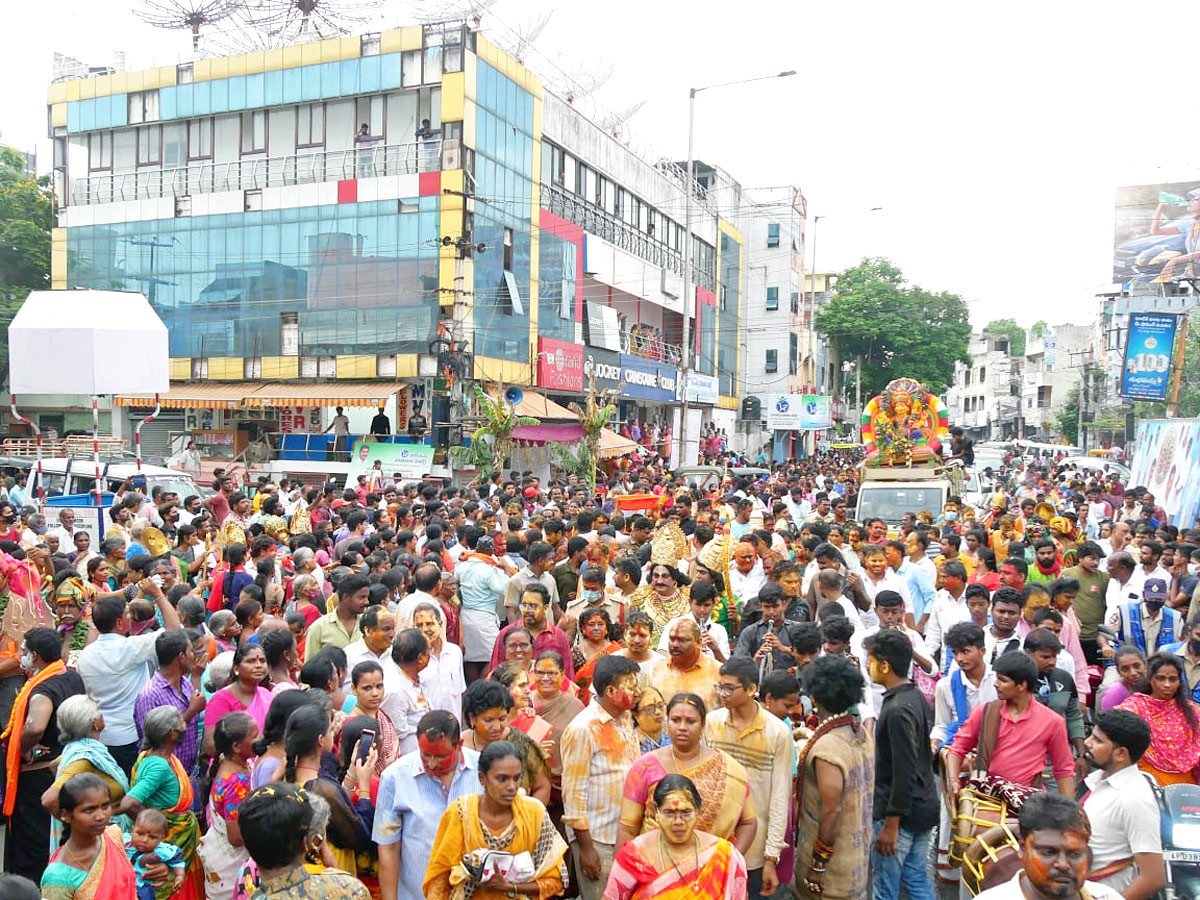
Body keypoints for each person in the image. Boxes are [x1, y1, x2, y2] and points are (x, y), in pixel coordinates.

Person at [424, 740, 569, 900]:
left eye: (517, 778)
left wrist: (509, 887)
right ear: (482, 778)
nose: (512, 786)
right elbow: (439, 882)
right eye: (502, 779)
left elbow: (556, 880)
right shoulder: (460, 813)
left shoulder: (534, 813)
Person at [617, 693, 755, 852]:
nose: (682, 727)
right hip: (654, 868)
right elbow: (628, 828)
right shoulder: (645, 767)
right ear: (667, 723)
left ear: (703, 725)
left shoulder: (729, 768)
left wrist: (731, 861)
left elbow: (748, 822)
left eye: (690, 721)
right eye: (675, 720)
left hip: (710, 870)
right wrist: (624, 871)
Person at [3, 625, 87, 882]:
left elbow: (36, 726)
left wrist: (23, 747)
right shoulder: (70, 675)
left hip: (39, 778)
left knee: (34, 845)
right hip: (68, 768)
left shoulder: (43, 689)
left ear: (37, 656)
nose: (21, 657)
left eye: (25, 651)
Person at [706, 657, 792, 900]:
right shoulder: (712, 724)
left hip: (756, 850)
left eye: (729, 688)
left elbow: (779, 797)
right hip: (716, 843)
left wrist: (771, 857)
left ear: (752, 689)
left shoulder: (777, 732)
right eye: (720, 687)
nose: (723, 693)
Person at [374, 710, 482, 900]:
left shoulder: (483, 771)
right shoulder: (394, 778)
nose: (431, 764)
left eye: (441, 757)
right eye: (426, 755)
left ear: (459, 745)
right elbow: (388, 848)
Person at [792, 654, 875, 900]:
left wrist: (817, 867)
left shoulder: (829, 749)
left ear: (814, 697)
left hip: (831, 879)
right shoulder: (859, 732)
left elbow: (832, 812)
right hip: (856, 867)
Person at [560, 655, 642, 900]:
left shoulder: (625, 717)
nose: (638, 691)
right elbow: (573, 794)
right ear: (610, 690)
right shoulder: (582, 728)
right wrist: (586, 849)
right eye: (631, 685)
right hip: (598, 840)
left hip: (626, 834)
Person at [863, 630, 937, 900]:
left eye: (870, 660)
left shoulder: (896, 712)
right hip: (923, 804)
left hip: (900, 815)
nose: (867, 666)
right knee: (916, 879)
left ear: (885, 665)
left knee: (885, 889)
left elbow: (903, 771)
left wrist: (891, 825)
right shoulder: (913, 697)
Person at [945, 650, 1076, 799]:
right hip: (984, 799)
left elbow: (1064, 770)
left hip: (1027, 803)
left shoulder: (1053, 721)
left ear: (1022, 685)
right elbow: (957, 749)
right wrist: (953, 781)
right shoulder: (985, 712)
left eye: (1003, 680)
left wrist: (1070, 812)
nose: (995, 684)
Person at [78, 587, 181, 775]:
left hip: (100, 736)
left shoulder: (86, 654)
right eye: (127, 614)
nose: (131, 618)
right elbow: (174, 631)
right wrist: (157, 595)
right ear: (119, 622)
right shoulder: (129, 648)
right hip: (130, 736)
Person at [603, 773, 749, 900]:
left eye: (686, 813)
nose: (678, 822)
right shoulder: (633, 856)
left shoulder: (724, 855)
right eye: (669, 813)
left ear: (698, 812)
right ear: (656, 813)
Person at [929, 622, 996, 881]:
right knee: (954, 809)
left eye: (966, 652)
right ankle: (951, 865)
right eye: (955, 652)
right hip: (958, 755)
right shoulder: (945, 685)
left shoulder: (998, 680)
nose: (960, 658)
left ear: (982, 650)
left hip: (991, 758)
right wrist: (935, 744)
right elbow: (941, 725)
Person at [117, 706, 205, 900]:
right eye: (181, 723)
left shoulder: (151, 756)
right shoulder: (158, 765)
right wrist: (153, 825)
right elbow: (129, 803)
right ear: (172, 734)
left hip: (176, 840)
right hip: (169, 841)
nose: (185, 725)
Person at [973, 791, 1123, 900]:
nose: (1063, 865)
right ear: (1023, 849)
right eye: (1048, 852)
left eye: (1075, 854)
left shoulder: (1108, 897)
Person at [1081, 709, 1166, 900]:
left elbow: (1153, 877)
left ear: (1121, 754)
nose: (1087, 743)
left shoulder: (1134, 798)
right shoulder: (1100, 781)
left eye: (1098, 740)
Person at [41, 773, 138, 900]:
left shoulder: (113, 836)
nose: (101, 816)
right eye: (89, 810)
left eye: (105, 806)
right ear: (66, 815)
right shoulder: (58, 876)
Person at [197, 712, 258, 900]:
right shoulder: (236, 782)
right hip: (231, 867)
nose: (261, 738)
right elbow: (236, 837)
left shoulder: (232, 763)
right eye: (255, 736)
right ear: (236, 746)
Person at [461, 679, 551, 804]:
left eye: (502, 719)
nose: (497, 727)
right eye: (488, 720)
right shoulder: (461, 748)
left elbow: (542, 787)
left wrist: (528, 817)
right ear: (472, 718)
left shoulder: (520, 743)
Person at [1117, 651, 1200, 784]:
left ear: (1179, 681)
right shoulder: (1136, 706)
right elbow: (1114, 726)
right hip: (1147, 781)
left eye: (1173, 679)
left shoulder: (1191, 711)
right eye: (1161, 678)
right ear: (1150, 679)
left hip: (1186, 784)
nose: (1167, 685)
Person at [134, 630, 205, 775]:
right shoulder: (150, 695)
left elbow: (196, 708)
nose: (194, 655)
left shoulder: (184, 683)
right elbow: (152, 741)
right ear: (181, 657)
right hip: (164, 776)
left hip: (187, 770)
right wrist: (190, 711)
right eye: (191, 651)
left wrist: (196, 677)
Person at [490, 583, 574, 679]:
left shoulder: (558, 637)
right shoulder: (507, 634)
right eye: (524, 605)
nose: (527, 610)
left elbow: (568, 675)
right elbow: (495, 672)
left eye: (533, 606)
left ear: (546, 608)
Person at [203, 644, 272, 756]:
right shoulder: (221, 700)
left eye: (263, 661)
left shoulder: (266, 694)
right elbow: (211, 745)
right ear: (236, 669)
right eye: (251, 661)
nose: (259, 665)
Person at [531, 650, 584, 789]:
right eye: (540, 673)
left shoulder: (575, 706)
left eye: (552, 673)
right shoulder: (524, 702)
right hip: (529, 778)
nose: (545, 678)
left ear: (562, 675)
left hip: (564, 781)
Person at [646, 618, 722, 711]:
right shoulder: (656, 669)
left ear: (699, 642)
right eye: (672, 639)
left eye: (682, 640)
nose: (675, 645)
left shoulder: (717, 671)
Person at [412, 602, 465, 720]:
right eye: (419, 625)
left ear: (440, 624)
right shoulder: (413, 659)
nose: (425, 629)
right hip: (426, 727)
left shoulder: (454, 652)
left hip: (453, 726)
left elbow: (461, 691)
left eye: (430, 624)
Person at [124, 808, 186, 900]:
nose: (144, 840)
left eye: (152, 837)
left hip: (143, 886)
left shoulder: (162, 851)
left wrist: (180, 875)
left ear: (161, 838)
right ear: (132, 830)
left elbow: (176, 860)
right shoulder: (123, 840)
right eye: (140, 834)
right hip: (121, 883)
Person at [304, 574, 368, 662]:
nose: (366, 602)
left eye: (367, 597)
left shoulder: (368, 624)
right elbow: (310, 666)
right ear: (346, 597)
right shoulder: (318, 628)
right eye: (362, 597)